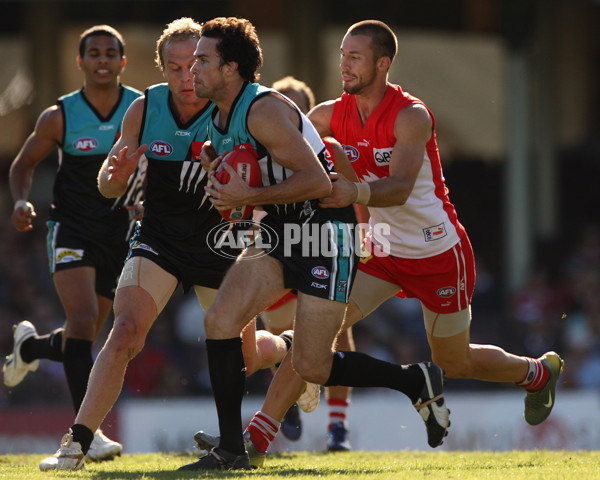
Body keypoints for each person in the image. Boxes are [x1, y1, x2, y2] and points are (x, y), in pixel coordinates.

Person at [196, 19, 565, 465]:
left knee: (455, 361)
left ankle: (537, 373)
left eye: (355, 57)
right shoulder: (327, 115)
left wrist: (354, 193)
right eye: (342, 56)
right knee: (318, 338)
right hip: (378, 249)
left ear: (383, 63)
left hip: (436, 251)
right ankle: (257, 436)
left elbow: (402, 186)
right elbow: (287, 157)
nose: (344, 64)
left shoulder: (412, 115)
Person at [178, 17, 448, 472]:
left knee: (314, 366)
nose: (192, 69)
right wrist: (221, 180)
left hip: (325, 233)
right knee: (220, 321)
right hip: (282, 230)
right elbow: (250, 177)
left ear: (231, 69)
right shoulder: (217, 114)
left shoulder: (261, 110)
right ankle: (230, 450)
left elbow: (318, 180)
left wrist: (248, 195)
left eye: (203, 60)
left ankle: (413, 380)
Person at [37, 17, 292, 472]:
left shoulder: (238, 109)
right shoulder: (144, 108)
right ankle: (75, 444)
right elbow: (109, 185)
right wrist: (112, 177)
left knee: (248, 358)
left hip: (224, 246)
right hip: (159, 241)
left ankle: (285, 350)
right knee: (124, 334)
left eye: (193, 64)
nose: (185, 76)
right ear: (160, 69)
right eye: (173, 68)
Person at [5, 24, 143, 462]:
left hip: (118, 235)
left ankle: (30, 348)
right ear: (80, 61)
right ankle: (89, 433)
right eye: (94, 53)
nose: (102, 59)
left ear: (122, 62)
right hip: (70, 230)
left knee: (84, 336)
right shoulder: (59, 115)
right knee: (82, 319)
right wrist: (22, 200)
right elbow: (23, 164)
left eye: (110, 53)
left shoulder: (140, 111)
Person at [262, 76, 358, 450]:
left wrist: (362, 244)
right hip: (281, 250)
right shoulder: (262, 150)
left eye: (298, 106)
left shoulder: (333, 150)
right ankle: (287, 401)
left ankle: (338, 428)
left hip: (324, 249)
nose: (291, 113)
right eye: (283, 105)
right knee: (280, 333)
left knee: (339, 332)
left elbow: (354, 202)